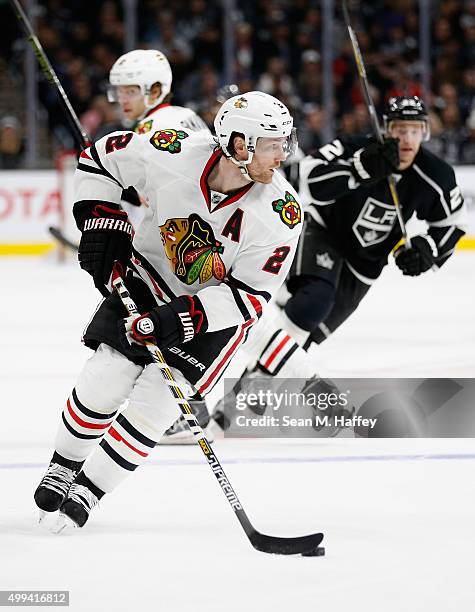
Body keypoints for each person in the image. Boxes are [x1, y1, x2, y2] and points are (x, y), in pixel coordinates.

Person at [33, 91, 301, 530]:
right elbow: (100, 159)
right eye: (273, 144)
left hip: (212, 317)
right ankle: (64, 466)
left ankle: (90, 489)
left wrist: (179, 319)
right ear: (239, 144)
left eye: (284, 142)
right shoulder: (171, 150)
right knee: (105, 378)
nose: (283, 155)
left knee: (156, 403)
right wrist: (104, 222)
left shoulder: (281, 214)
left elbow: (251, 294)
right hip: (148, 279)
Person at [212, 96, 467, 426]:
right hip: (325, 231)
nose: (406, 139)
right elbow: (310, 182)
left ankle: (256, 383)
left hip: (367, 263)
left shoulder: (435, 174)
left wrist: (427, 250)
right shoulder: (355, 147)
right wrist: (361, 167)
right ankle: (248, 391)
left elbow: (452, 224)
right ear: (385, 130)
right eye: (400, 130)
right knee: (313, 302)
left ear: (425, 133)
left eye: (415, 131)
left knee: (313, 331)